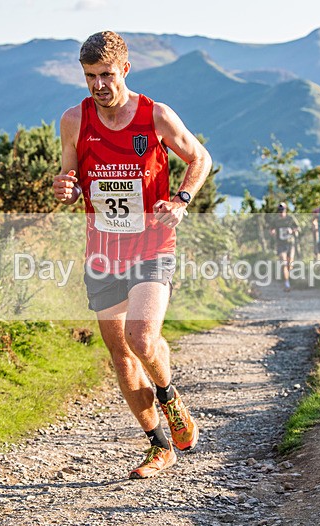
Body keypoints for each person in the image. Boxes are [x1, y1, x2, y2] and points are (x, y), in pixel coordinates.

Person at [52, 31, 212, 479]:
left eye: (105, 75)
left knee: (142, 338)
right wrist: (64, 185)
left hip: (151, 244)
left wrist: (180, 200)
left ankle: (168, 394)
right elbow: (69, 175)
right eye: (89, 77)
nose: (98, 85)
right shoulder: (73, 119)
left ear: (124, 69)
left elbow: (200, 157)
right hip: (102, 250)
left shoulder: (155, 115)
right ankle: (159, 446)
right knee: (121, 354)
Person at [269, 202, 300, 292]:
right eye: (280, 210)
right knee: (284, 263)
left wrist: (292, 230)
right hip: (280, 244)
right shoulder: (275, 220)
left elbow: (298, 228)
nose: (281, 212)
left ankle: (290, 279)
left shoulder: (290, 219)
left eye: (283, 210)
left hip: (290, 243)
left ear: (286, 210)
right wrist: (272, 232)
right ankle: (287, 284)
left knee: (290, 264)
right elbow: (271, 229)